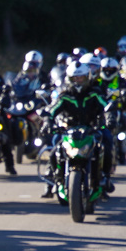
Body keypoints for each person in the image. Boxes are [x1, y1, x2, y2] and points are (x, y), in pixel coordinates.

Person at [41, 62, 115, 198]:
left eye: (81, 78)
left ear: (87, 77)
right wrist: (47, 121)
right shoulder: (65, 95)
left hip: (92, 129)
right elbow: (52, 109)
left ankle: (105, 177)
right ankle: (55, 179)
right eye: (75, 78)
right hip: (69, 130)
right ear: (69, 79)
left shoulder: (94, 93)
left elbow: (106, 106)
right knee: (54, 150)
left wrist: (109, 117)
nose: (78, 81)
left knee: (106, 144)